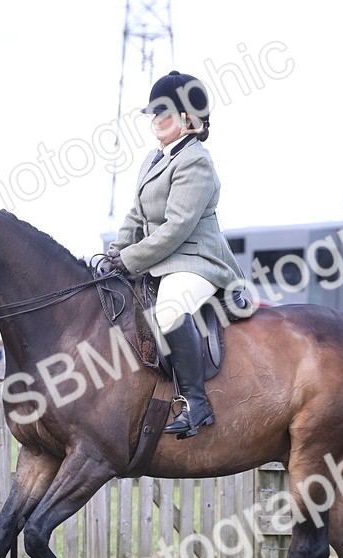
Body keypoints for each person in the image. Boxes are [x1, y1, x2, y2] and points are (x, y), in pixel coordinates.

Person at [106, 70, 247, 439]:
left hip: (196, 262)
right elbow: (136, 216)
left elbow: (177, 227)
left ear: (187, 119)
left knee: (169, 310)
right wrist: (114, 254)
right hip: (159, 260)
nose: (155, 122)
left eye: (163, 113)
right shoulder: (154, 159)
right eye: (152, 114)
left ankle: (196, 404)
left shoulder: (196, 161)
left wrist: (131, 259)